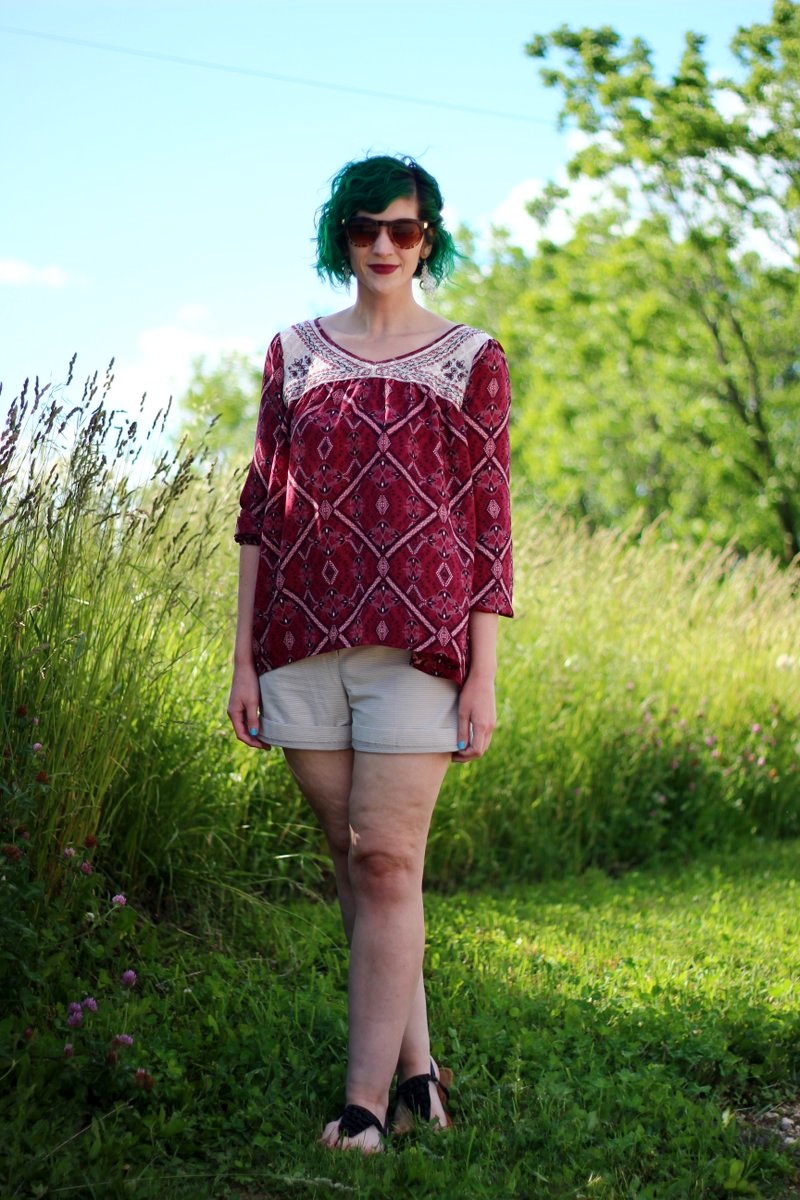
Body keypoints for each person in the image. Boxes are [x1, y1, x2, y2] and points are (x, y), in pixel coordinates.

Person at [227, 154, 512, 1153]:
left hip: (420, 654)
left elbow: (487, 523)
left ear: (427, 237)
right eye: (363, 228)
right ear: (338, 237)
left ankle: (362, 1110)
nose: (382, 246)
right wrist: (240, 662)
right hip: (298, 644)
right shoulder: (293, 351)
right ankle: (419, 1074)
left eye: (402, 228)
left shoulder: (470, 356)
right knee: (355, 869)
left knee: (388, 859)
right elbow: (259, 512)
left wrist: (482, 671)